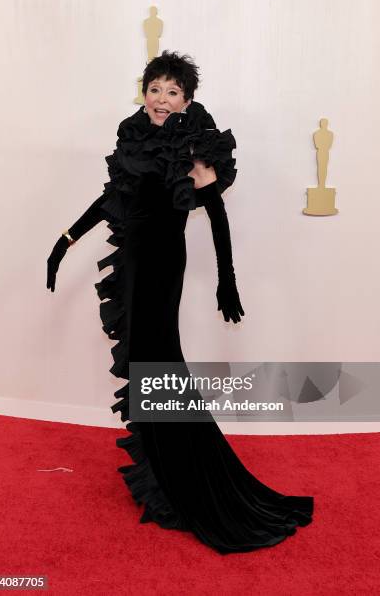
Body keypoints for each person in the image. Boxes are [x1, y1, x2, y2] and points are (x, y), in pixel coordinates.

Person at [47, 51, 314, 554]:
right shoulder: (132, 136)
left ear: (186, 100)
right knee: (149, 364)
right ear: (143, 93)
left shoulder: (193, 143)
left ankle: (190, 480)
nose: (162, 99)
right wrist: (63, 241)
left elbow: (215, 214)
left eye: (173, 92)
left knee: (158, 363)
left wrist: (227, 280)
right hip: (133, 260)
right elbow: (111, 200)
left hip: (164, 264)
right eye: (155, 88)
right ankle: (167, 474)